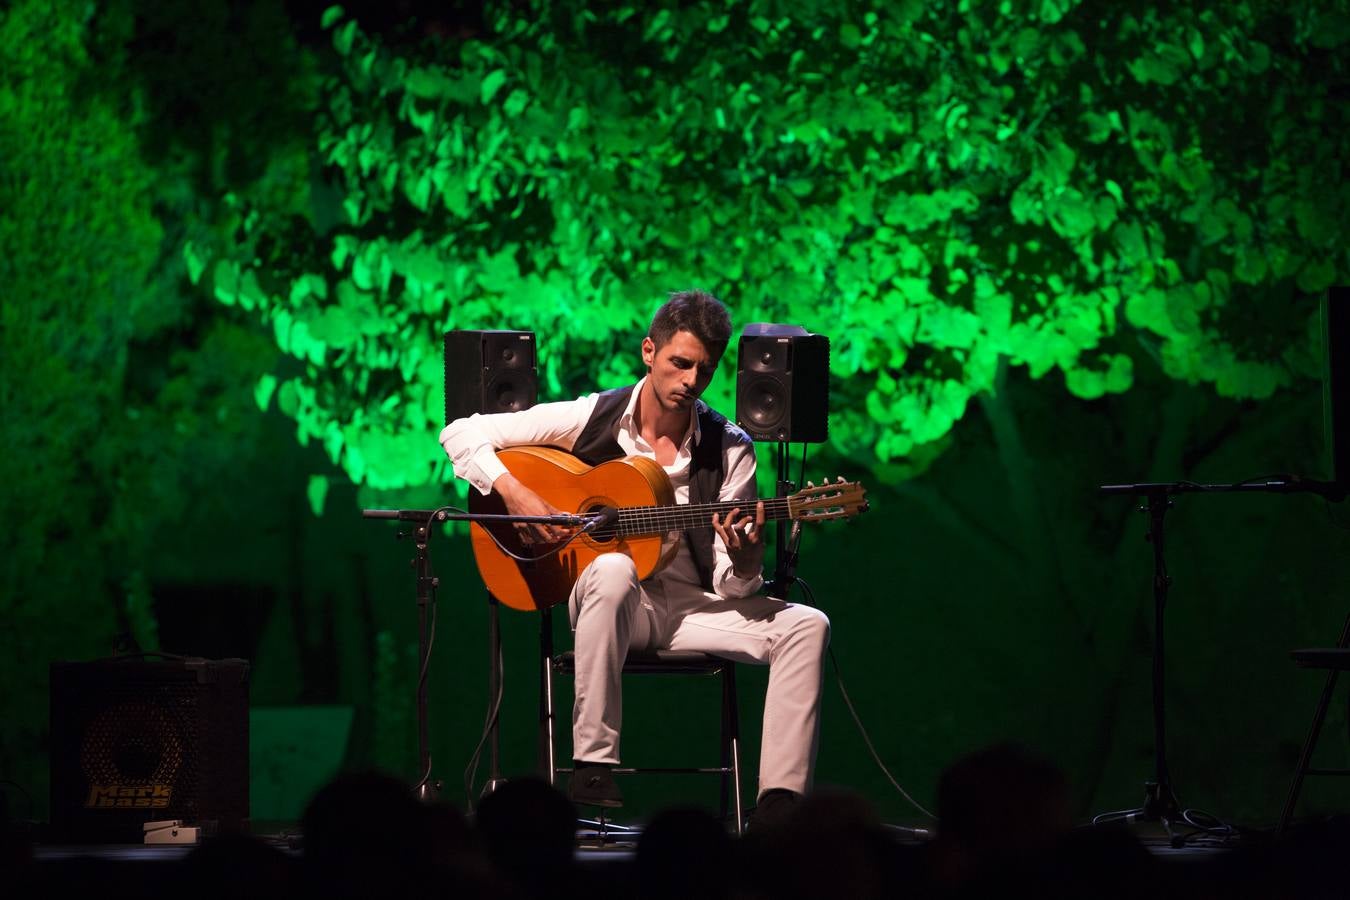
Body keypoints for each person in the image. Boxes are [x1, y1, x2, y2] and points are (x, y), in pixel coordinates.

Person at [439, 290, 830, 826]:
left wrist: (745, 562)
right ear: (649, 351)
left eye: (705, 369)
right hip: (615, 605)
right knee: (615, 566)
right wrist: (514, 491)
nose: (691, 381)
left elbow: (732, 587)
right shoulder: (592, 417)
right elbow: (462, 431)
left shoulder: (732, 447)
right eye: (679, 363)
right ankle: (593, 763)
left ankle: (779, 806)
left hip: (693, 609)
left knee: (807, 625)